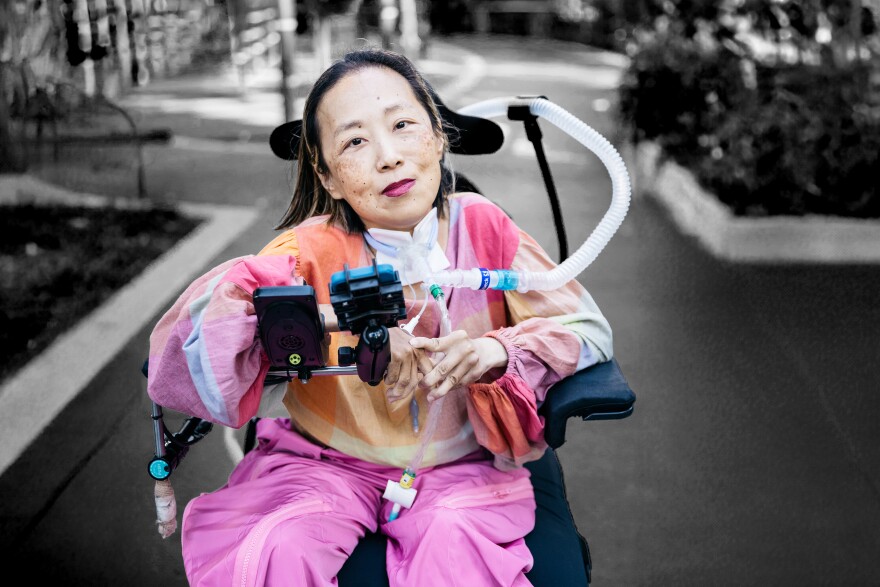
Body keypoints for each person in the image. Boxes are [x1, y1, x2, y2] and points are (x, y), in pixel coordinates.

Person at [147, 47, 613, 586]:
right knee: (276, 551)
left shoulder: (486, 229)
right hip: (321, 466)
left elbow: (586, 328)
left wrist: (497, 350)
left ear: (438, 135)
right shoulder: (304, 252)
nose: (388, 156)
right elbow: (198, 341)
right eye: (355, 141)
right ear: (328, 176)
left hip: (459, 471)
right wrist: (338, 325)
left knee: (457, 562)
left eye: (403, 125)